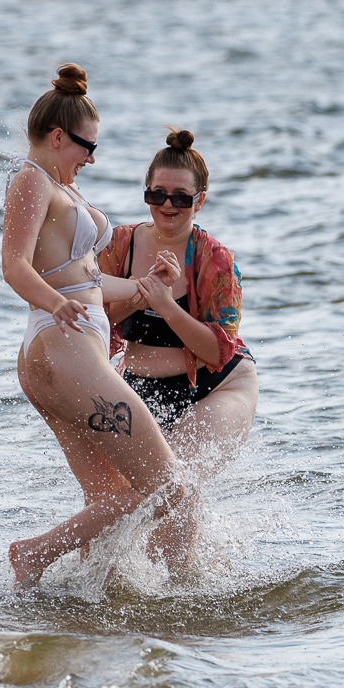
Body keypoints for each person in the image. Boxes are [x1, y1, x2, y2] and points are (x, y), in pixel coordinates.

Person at [2, 65, 186, 588]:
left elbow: (91, 285)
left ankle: (69, 587)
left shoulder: (59, 187)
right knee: (173, 487)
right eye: (87, 147)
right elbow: (15, 264)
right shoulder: (30, 180)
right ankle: (193, 597)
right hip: (62, 351)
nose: (91, 158)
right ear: (58, 137)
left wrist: (149, 285)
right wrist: (53, 301)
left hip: (68, 354)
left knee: (117, 500)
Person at [101, 128, 256, 450]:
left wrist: (165, 303)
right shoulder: (119, 245)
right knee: (127, 496)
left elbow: (217, 352)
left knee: (176, 484)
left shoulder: (215, 260)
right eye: (158, 194)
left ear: (200, 200)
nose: (168, 205)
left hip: (216, 385)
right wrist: (138, 294)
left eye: (181, 197)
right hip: (138, 387)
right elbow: (98, 324)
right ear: (146, 193)